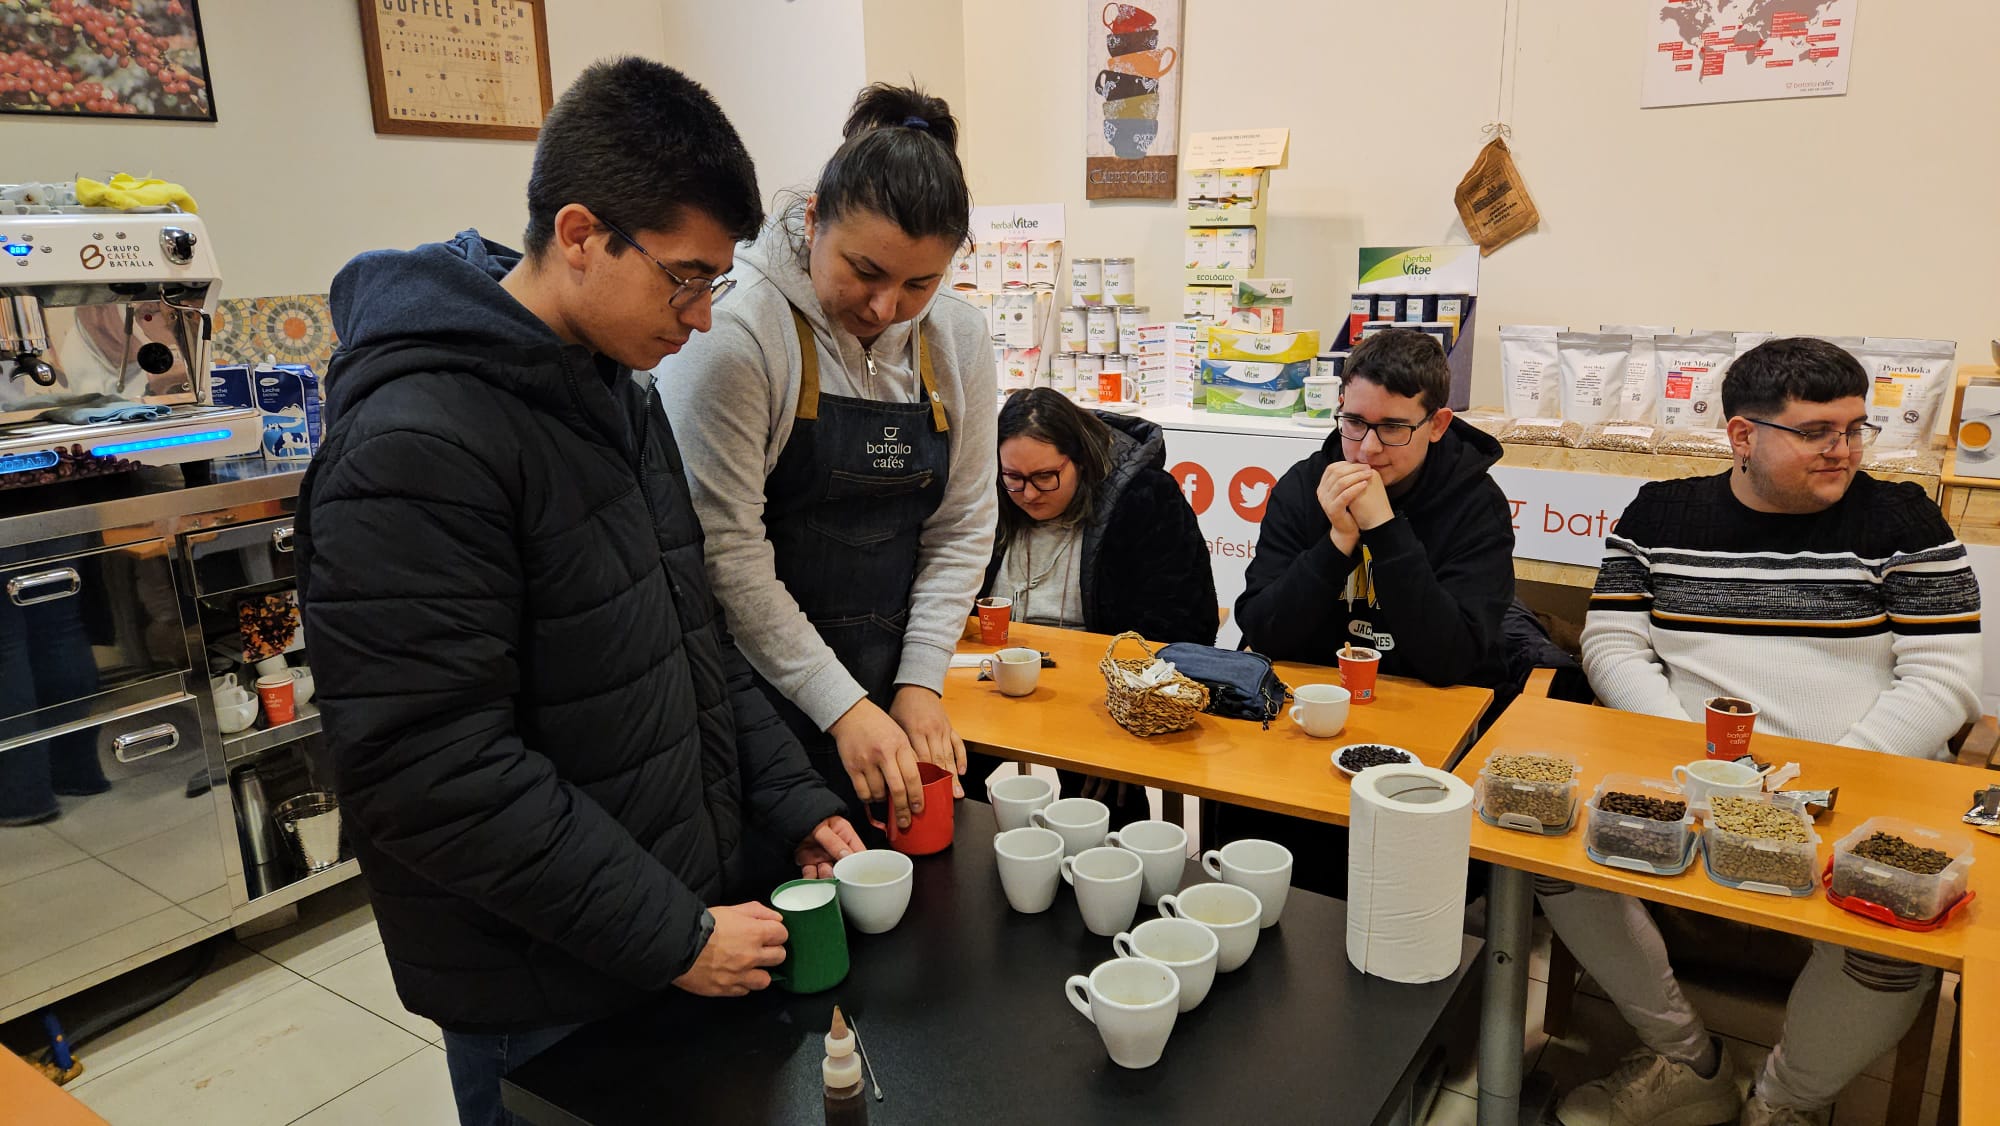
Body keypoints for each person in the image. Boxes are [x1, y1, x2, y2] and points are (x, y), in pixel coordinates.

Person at [295, 59, 863, 1126]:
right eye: (684, 278)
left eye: (716, 282)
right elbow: (429, 768)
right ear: (579, 233)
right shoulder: (417, 440)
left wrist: (791, 800)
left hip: (651, 926)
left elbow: (686, 636)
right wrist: (674, 934)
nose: (699, 319)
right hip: (538, 974)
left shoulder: (611, 390)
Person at [1544, 337, 1982, 1126]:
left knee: (1898, 936)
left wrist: (1819, 784)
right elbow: (1612, 639)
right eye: (1817, 432)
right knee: (1546, 856)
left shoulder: (1902, 519)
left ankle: (1785, 1103)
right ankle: (1686, 1059)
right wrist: (1690, 762)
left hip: (1851, 794)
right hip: (1686, 777)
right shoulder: (1662, 511)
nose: (1843, 450)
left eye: (1855, 429)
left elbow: (1945, 676)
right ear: (1743, 436)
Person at [656, 84, 995, 843]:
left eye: (919, 284)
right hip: (755, 695)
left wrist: (919, 682)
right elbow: (727, 554)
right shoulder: (737, 335)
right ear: (812, 220)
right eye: (865, 271)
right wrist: (839, 705)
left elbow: (963, 524)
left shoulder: (958, 338)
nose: (884, 308)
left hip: (893, 684)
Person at [1219, 327, 1517, 895]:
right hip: (1309, 717)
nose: (1367, 449)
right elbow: (1263, 628)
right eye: (1354, 423)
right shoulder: (1307, 484)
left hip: (1425, 722)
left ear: (1438, 424)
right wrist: (1336, 544)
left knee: (1390, 863)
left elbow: (1450, 657)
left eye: (1393, 428)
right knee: (1244, 823)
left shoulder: (1475, 504)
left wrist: (1383, 529)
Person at [968, 387, 1218, 822]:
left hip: (1103, 692)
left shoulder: (1144, 499)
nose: (1028, 494)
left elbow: (1184, 623)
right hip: (993, 681)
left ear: (1080, 460)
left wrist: (1125, 713)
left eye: (1046, 477)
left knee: (1103, 803)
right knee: (941, 769)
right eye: (1014, 478)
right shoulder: (988, 499)